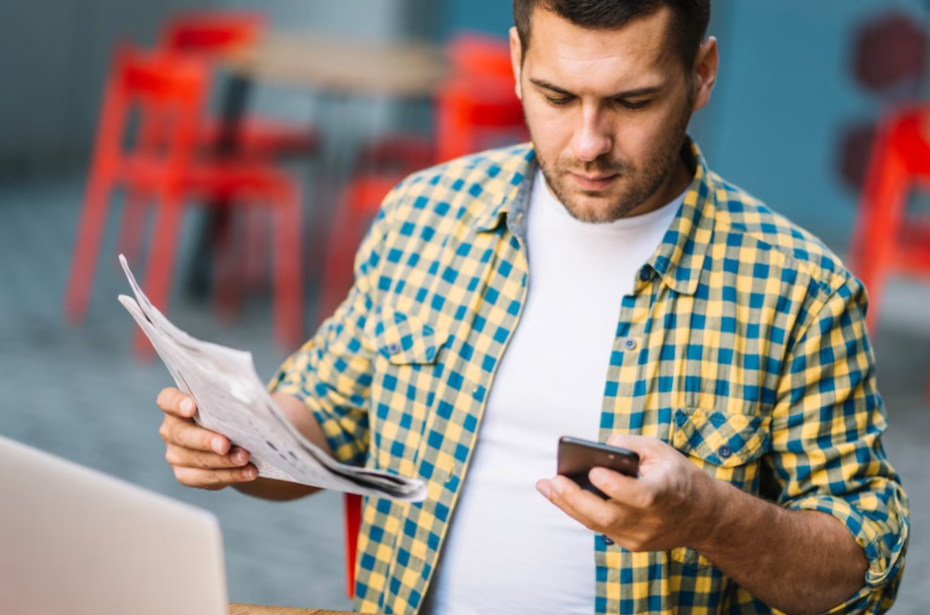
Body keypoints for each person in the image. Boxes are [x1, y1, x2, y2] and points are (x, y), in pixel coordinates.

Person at [155, 1, 909, 614]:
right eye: (555, 96)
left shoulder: (798, 290)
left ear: (701, 73)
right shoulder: (426, 213)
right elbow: (321, 414)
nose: (588, 142)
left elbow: (863, 575)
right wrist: (237, 443)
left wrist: (710, 516)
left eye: (632, 101)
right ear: (516, 63)